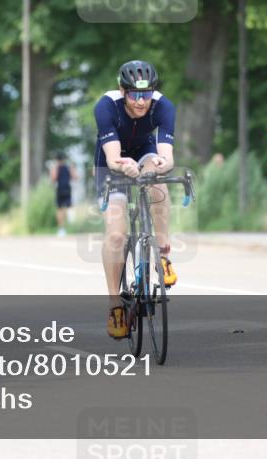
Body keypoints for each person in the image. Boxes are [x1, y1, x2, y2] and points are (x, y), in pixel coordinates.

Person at [95, 60, 177, 340]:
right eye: (134, 95)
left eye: (146, 94)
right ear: (122, 90)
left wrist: (159, 164)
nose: (141, 102)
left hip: (144, 150)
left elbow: (167, 156)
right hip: (112, 160)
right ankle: (115, 304)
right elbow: (113, 157)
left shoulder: (163, 106)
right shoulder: (106, 106)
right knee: (117, 235)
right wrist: (123, 165)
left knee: (158, 184)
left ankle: (163, 255)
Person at [51, 153, 77, 237]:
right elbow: (75, 177)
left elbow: (53, 179)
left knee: (60, 210)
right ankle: (65, 225)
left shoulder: (56, 168)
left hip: (61, 189)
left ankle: (61, 228)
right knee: (65, 208)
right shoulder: (68, 167)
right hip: (66, 189)